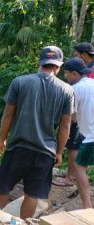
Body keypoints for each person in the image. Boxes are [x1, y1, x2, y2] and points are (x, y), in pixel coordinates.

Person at [0, 46, 74, 219]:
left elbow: (8, 114)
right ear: (58, 67)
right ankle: (24, 223)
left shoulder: (20, 82)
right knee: (32, 195)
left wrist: (2, 139)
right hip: (45, 153)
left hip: (18, 147)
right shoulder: (67, 90)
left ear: (39, 63)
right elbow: (65, 127)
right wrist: (59, 152)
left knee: (2, 189)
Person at [63, 57, 94, 209]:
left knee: (79, 167)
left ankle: (86, 206)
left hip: (90, 136)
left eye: (66, 73)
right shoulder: (92, 82)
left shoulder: (75, 90)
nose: (65, 77)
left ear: (74, 73)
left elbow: (71, 117)